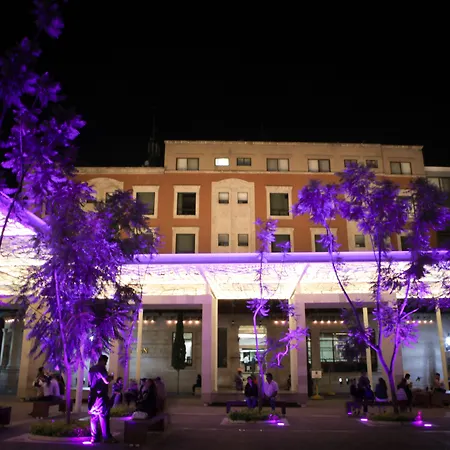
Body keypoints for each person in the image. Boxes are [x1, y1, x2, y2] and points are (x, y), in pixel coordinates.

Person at [88, 355, 117, 444]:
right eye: (105, 362)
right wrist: (111, 377)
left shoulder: (91, 369)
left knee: (94, 417)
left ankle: (94, 437)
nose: (105, 364)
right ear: (104, 361)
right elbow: (106, 380)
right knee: (103, 415)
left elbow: (90, 382)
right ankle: (106, 437)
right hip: (100, 396)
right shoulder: (101, 368)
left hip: (92, 395)